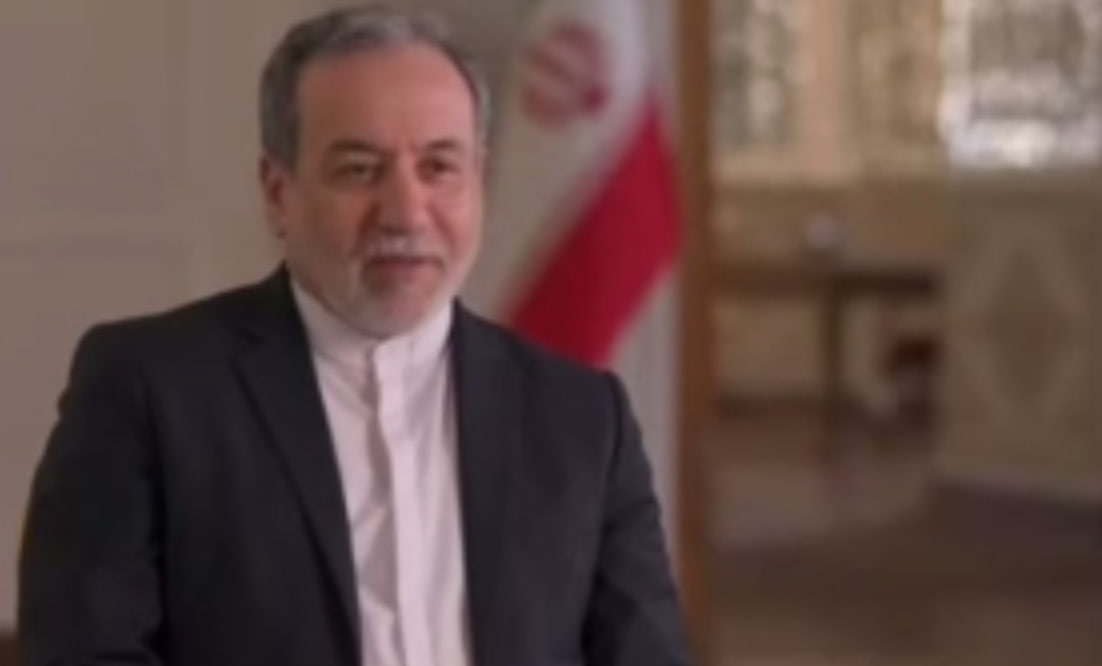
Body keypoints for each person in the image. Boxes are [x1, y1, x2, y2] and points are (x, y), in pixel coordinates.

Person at [17, 5, 692, 666]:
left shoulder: (583, 417)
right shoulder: (146, 391)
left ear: (479, 183)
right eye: (359, 169)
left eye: (439, 167)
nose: (405, 213)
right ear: (278, 193)